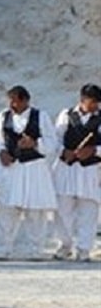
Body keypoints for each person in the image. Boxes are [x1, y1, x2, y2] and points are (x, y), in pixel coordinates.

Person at [0, 85, 57, 260]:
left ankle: (36, 250)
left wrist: (34, 143)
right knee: (7, 210)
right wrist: (1, 153)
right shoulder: (3, 117)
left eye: (16, 101)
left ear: (26, 100)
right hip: (11, 169)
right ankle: (4, 249)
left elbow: (52, 143)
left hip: (34, 169)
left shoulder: (41, 116)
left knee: (36, 212)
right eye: (10, 101)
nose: (12, 105)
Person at [51, 84, 101, 262]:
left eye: (98, 102)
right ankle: (65, 245)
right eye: (92, 102)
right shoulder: (66, 115)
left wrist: (94, 151)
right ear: (82, 100)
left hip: (90, 170)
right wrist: (64, 151)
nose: (95, 106)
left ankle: (84, 249)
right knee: (62, 209)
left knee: (89, 210)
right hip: (66, 168)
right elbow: (54, 139)